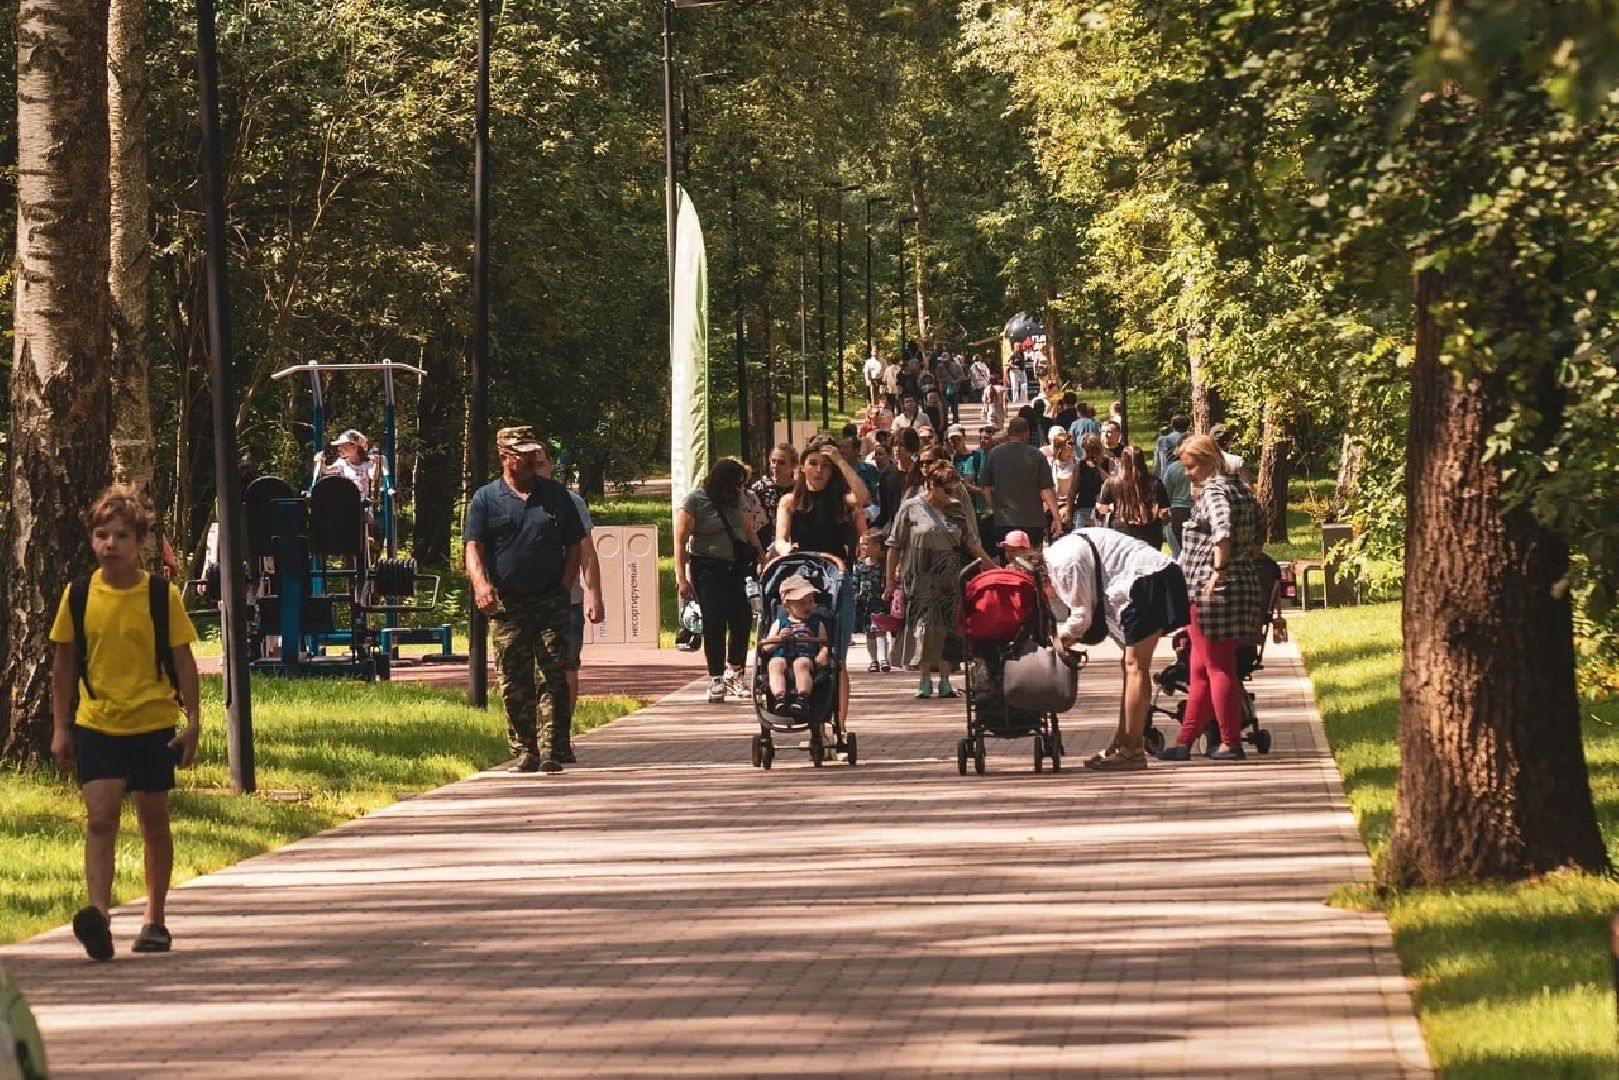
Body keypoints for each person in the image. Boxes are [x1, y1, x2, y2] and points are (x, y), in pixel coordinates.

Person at [50, 485, 202, 961]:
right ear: (92, 540)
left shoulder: (161, 596)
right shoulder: (77, 596)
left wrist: (194, 721)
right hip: (96, 722)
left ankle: (154, 918)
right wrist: (60, 728)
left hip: (153, 723)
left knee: (154, 821)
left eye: (120, 536)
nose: (109, 545)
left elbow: (184, 662)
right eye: (101, 535)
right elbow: (64, 664)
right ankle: (98, 915)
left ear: (140, 543)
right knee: (100, 818)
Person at [465, 425, 586, 774]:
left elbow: (575, 543)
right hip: (507, 603)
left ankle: (552, 748)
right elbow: (474, 547)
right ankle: (524, 749)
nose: (533, 459)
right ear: (506, 458)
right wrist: (480, 585)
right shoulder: (486, 499)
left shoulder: (556, 495)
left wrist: (565, 585)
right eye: (524, 454)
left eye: (535, 453)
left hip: (550, 599)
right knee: (513, 678)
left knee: (552, 673)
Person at [1158, 434, 1265, 762]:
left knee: (1218, 667)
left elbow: (1223, 531)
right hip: (1241, 586)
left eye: (1190, 467)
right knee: (1200, 670)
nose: (1187, 473)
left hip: (1211, 591)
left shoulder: (1216, 491)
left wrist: (1218, 570)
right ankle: (1184, 742)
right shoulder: (1242, 490)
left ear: (1206, 461)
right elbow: (1261, 534)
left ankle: (1231, 742)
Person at [1045, 527, 1190, 771]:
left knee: (1135, 666)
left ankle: (1132, 749)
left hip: (1148, 579)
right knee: (1129, 664)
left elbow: (1082, 619)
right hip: (1148, 578)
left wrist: (1053, 646)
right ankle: (1121, 742)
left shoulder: (1063, 563)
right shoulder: (1060, 554)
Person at [775, 444, 868, 723]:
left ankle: (838, 725)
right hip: (800, 579)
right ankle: (807, 713)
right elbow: (780, 537)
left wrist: (841, 460)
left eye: (825, 465)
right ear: (801, 468)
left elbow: (863, 496)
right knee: (801, 654)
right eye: (813, 463)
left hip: (835, 580)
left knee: (835, 659)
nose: (819, 470)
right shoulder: (790, 502)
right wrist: (784, 549)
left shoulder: (841, 499)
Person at [884, 459, 990, 698]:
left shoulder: (955, 507)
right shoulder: (910, 507)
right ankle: (923, 680)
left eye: (955, 489)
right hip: (919, 577)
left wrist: (991, 566)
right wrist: (890, 580)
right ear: (931, 484)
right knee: (923, 628)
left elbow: (970, 541)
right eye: (947, 489)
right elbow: (894, 545)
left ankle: (944, 680)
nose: (952, 494)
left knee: (946, 628)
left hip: (949, 577)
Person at [535, 440, 605, 759]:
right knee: (531, 668)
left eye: (540, 462)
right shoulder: (503, 499)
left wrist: (594, 595)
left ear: (552, 465)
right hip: (524, 599)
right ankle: (535, 734)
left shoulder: (570, 502)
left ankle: (560, 732)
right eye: (529, 463)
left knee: (566, 666)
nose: (535, 470)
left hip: (568, 599)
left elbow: (587, 553)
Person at [676, 458, 758, 705]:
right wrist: (682, 578)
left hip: (736, 567)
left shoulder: (737, 499)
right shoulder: (696, 500)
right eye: (734, 483)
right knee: (714, 622)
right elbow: (680, 541)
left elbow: (748, 529)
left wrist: (762, 554)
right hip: (707, 568)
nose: (737, 489)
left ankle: (736, 672)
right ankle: (716, 678)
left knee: (742, 619)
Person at [980, 416, 1065, 549]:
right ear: (1027, 433)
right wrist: (1056, 517)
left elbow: (985, 489)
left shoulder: (994, 455)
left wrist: (994, 508)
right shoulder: (1037, 455)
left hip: (1005, 520)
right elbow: (1047, 490)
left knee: (1009, 562)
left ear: (1008, 432)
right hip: (1033, 520)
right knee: (1033, 562)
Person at [759, 574, 830, 714]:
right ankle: (779, 698)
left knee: (801, 664)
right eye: (801, 603)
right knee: (775, 664)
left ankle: (803, 698)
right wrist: (779, 637)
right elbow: (767, 647)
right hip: (781, 654)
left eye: (811, 601)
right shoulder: (780, 623)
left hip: (806, 656)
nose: (808, 606)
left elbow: (824, 643)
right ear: (787, 605)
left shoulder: (816, 623)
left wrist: (823, 653)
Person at [1097, 445, 1170, 549]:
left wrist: (1111, 508)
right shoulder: (1155, 483)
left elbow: (1103, 510)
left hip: (1121, 534)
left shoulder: (1111, 483)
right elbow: (1163, 511)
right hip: (1150, 534)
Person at [853, 529, 891, 672]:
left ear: (877, 546)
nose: (862, 547)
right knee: (869, 632)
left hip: (880, 602)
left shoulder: (884, 565)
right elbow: (855, 582)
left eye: (866, 544)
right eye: (862, 544)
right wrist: (855, 596)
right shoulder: (860, 565)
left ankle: (883, 659)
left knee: (880, 630)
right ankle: (873, 660)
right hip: (865, 603)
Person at [750, 443, 798, 552]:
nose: (775, 466)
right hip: (763, 547)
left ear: (793, 466)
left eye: (781, 463)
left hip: (791, 547)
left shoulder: (800, 489)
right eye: (773, 461)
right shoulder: (759, 488)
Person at [318, 428, 380, 503]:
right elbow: (326, 470)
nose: (339, 448)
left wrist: (377, 462)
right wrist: (320, 461)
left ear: (354, 447)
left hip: (362, 504)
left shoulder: (366, 464)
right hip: (346, 502)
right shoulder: (342, 463)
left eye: (343, 445)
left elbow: (373, 476)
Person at [1072, 432, 1111, 528]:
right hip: (1084, 507)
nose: (1090, 454)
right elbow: (1073, 490)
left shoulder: (1107, 462)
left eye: (1093, 450)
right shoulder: (1080, 465)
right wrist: (1069, 511)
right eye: (1087, 450)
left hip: (1102, 509)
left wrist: (1098, 468)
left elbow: (1109, 482)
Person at [1161, 450, 1195, 556]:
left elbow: (1166, 491)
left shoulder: (1173, 467)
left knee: (1177, 550)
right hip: (1193, 509)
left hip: (1176, 509)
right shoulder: (1200, 466)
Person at [1045, 429, 1080, 523]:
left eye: (1073, 443)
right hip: (1053, 506)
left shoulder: (1076, 463)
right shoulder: (1049, 464)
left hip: (1073, 505)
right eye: (1069, 444)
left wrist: (1067, 508)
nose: (1072, 446)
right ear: (1060, 447)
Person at [1155, 414, 1191, 478]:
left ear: (1172, 426)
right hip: (1186, 477)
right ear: (1188, 426)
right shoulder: (1191, 439)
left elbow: (1157, 463)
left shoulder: (1163, 440)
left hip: (1166, 477)